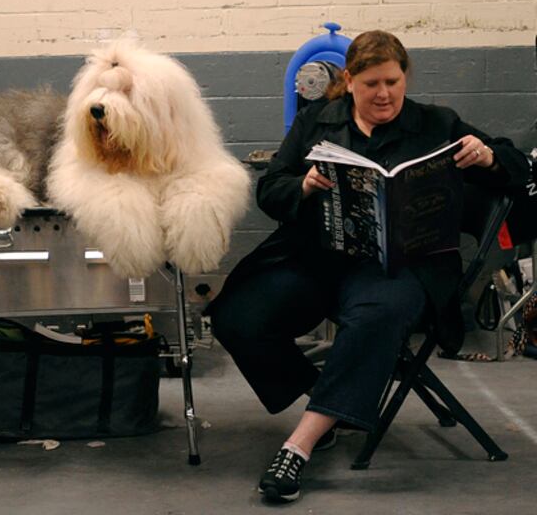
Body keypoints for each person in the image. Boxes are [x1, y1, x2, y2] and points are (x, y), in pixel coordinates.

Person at [207, 30, 530, 504]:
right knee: (238, 317)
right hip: (318, 258)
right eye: (372, 83)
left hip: (402, 267)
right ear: (350, 80)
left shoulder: (435, 123)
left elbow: (517, 167)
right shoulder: (318, 121)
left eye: (393, 82)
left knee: (376, 316)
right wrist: (305, 186)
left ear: (405, 78)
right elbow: (270, 188)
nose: (384, 94)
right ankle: (329, 403)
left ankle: (300, 444)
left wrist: (489, 157)